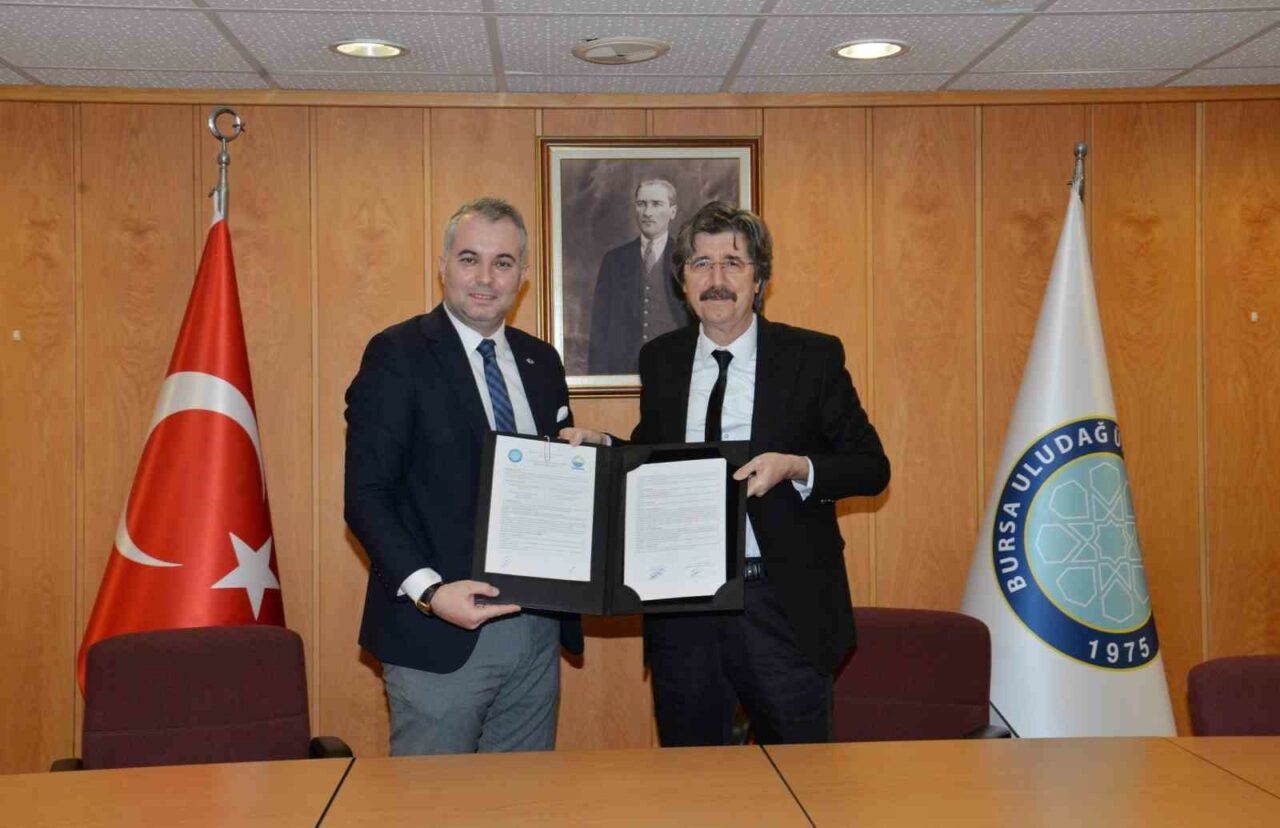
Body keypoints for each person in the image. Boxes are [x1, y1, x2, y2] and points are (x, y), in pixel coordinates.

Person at [565, 201, 889, 746]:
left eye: (733, 263)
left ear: (759, 278)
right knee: (694, 778)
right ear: (682, 280)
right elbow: (656, 460)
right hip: (682, 608)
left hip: (780, 603)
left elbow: (871, 467)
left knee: (802, 775)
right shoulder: (662, 359)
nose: (717, 279)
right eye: (701, 264)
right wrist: (605, 446)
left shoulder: (811, 357)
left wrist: (797, 467)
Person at [345, 197, 583, 755]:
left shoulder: (541, 362)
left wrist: (590, 459)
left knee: (522, 799)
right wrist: (430, 593)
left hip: (535, 629)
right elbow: (366, 496)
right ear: (443, 265)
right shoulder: (397, 354)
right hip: (438, 632)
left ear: (523, 276)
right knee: (434, 799)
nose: (485, 277)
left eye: (503, 263)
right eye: (469, 258)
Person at [587, 179, 692, 375]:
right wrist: (598, 379)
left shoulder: (686, 258)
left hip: (676, 369)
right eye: (641, 204)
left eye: (656, 204)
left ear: (673, 211)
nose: (647, 212)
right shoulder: (614, 261)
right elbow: (599, 328)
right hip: (623, 372)